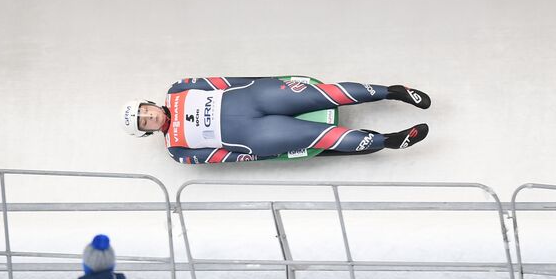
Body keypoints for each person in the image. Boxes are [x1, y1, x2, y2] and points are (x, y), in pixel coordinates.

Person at [120, 77, 430, 163]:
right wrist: (258, 154)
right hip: (256, 134)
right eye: (145, 122)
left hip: (256, 96)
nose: (150, 117)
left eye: (146, 111)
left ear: (150, 104)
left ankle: (393, 91)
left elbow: (222, 82)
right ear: (147, 132)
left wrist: (267, 82)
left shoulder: (178, 89)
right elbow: (222, 156)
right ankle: (388, 141)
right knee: (318, 137)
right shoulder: (176, 150)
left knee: (321, 95)